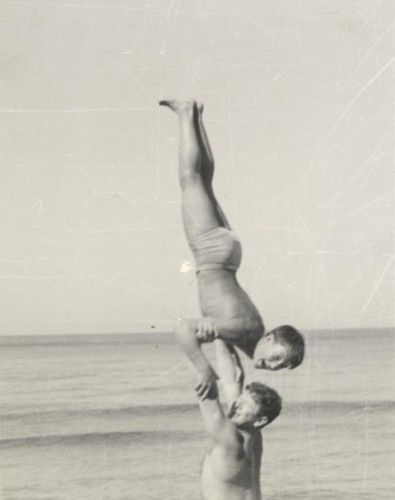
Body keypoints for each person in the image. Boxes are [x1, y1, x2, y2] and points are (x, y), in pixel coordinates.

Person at [160, 99, 304, 380]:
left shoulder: (253, 332)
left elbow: (227, 336)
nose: (273, 366)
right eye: (276, 358)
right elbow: (182, 328)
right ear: (270, 340)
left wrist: (224, 347)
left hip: (228, 254)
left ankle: (196, 115)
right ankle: (185, 112)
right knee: (189, 178)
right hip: (211, 252)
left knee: (204, 180)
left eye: (280, 366)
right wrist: (204, 369)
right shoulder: (244, 331)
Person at [174, 319, 282, 500]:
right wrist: (219, 335)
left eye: (245, 405)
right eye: (241, 400)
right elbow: (230, 380)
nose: (236, 405)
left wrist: (196, 353)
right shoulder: (254, 435)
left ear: (260, 420)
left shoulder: (230, 440)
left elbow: (204, 389)